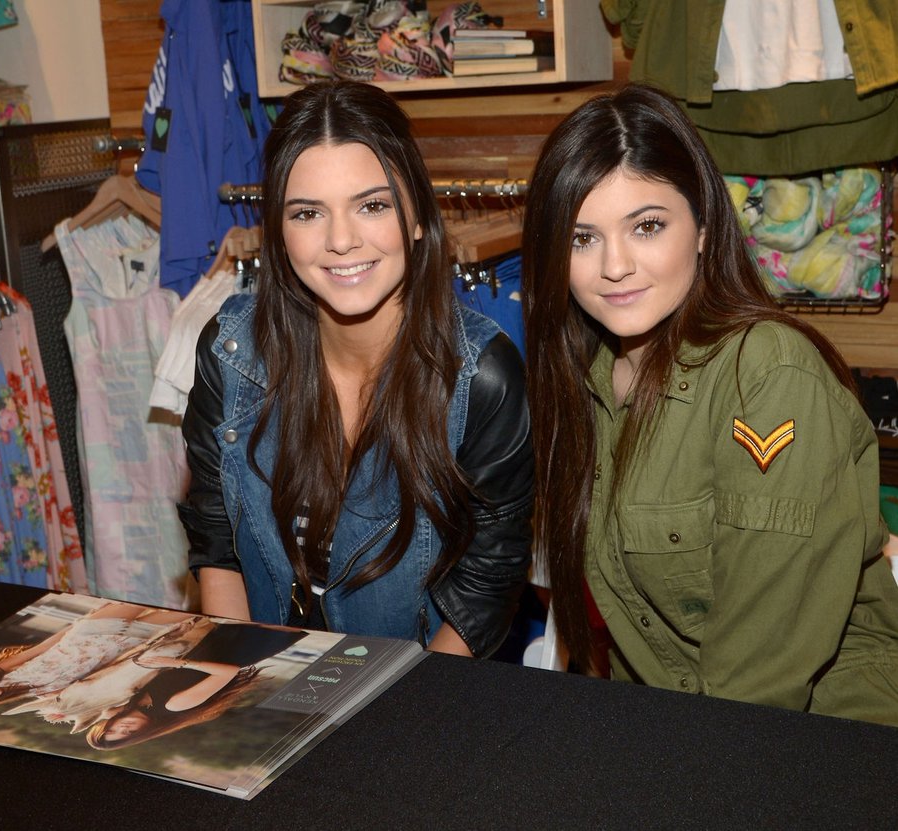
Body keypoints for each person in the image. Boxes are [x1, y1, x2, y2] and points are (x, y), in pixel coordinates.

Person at [521, 82, 898, 722]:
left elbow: (758, 682)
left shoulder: (769, 378)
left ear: (701, 225)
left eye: (646, 226)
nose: (614, 266)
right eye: (582, 238)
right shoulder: (582, 383)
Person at [180, 79, 533, 658]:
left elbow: (485, 587)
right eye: (308, 212)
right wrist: (241, 688)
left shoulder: (483, 378)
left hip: (416, 698)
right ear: (279, 231)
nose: (341, 240)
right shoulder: (230, 352)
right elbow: (215, 539)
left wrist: (401, 727)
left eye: (372, 205)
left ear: (418, 215)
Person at [0, 602, 193, 714]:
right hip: (124, 644)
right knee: (183, 608)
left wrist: (75, 626)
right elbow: (90, 692)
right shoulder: (42, 695)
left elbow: (38, 649)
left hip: (91, 631)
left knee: (145, 596)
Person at [84, 620, 307, 749]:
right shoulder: (172, 707)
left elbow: (101, 706)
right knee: (283, 612)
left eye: (113, 728)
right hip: (241, 646)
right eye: (126, 733)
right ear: (139, 734)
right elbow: (228, 672)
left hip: (214, 639)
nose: (123, 727)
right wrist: (179, 663)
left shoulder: (134, 703)